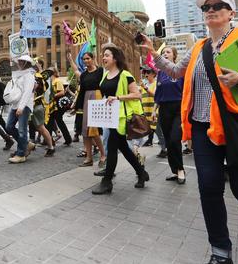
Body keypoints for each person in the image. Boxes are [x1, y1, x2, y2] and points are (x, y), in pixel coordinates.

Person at [141, 0, 238, 264]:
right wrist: (152, 52)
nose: (211, 10)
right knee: (209, 187)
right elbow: (176, 71)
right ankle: (221, 252)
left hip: (237, 127)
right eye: (206, 7)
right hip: (203, 128)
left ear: (231, 13)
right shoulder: (198, 47)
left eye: (218, 6)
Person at [91, 44, 149, 194]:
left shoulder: (125, 75)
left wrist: (118, 97)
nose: (103, 58)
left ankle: (107, 181)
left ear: (115, 58)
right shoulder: (105, 75)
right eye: (103, 55)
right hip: (110, 118)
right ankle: (141, 173)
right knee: (123, 147)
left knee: (111, 146)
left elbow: (137, 95)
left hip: (122, 119)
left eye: (107, 55)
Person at [67, 51, 106, 168]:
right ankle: (89, 157)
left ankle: (103, 155)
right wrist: (70, 60)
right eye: (84, 59)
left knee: (94, 131)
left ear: (93, 59)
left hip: (97, 100)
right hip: (85, 101)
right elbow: (76, 71)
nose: (86, 61)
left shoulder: (100, 71)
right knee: (85, 132)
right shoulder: (84, 75)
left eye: (88, 58)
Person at [155, 47, 185, 184]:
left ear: (174, 55)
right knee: (168, 142)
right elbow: (159, 92)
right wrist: (154, 110)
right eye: (163, 53)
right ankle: (175, 170)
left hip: (178, 108)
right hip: (164, 109)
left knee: (174, 139)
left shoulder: (180, 70)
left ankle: (180, 169)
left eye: (167, 52)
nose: (164, 54)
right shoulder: (160, 73)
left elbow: (186, 91)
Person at [6, 55, 36, 163]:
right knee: (9, 127)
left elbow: (27, 92)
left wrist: (21, 107)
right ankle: (26, 144)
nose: (18, 63)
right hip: (15, 105)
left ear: (25, 63)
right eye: (18, 61)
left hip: (24, 106)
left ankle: (20, 154)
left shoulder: (29, 75)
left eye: (20, 61)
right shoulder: (19, 74)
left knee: (22, 130)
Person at [47, 67, 72, 146]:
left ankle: (51, 141)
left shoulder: (57, 81)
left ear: (54, 72)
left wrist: (52, 96)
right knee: (53, 122)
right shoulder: (50, 81)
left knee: (55, 122)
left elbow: (62, 92)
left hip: (57, 104)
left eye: (49, 71)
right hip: (51, 104)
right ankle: (51, 140)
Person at [33, 71, 55, 157]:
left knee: (41, 128)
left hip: (37, 106)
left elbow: (35, 88)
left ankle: (51, 147)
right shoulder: (39, 78)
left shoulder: (37, 78)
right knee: (39, 128)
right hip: (35, 106)